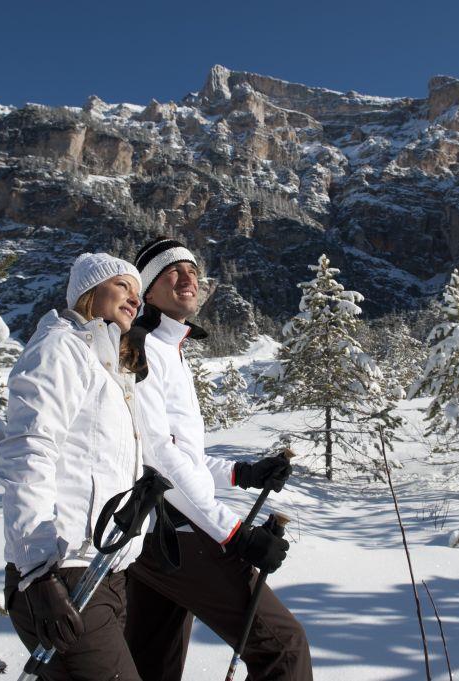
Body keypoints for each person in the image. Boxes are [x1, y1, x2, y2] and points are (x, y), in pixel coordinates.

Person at [124, 237, 313, 680]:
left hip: (158, 534)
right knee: (283, 648)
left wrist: (242, 472)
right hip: (176, 533)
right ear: (148, 290)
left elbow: (182, 455)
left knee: (151, 664)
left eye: (192, 270)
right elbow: (157, 458)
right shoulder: (143, 347)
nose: (188, 277)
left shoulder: (167, 347)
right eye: (173, 271)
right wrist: (234, 534)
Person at [0, 252, 146, 681]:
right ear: (89, 291)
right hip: (62, 571)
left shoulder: (108, 367)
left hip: (105, 572)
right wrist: (38, 573)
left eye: (138, 294)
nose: (134, 299)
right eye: (123, 287)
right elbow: (28, 453)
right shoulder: (61, 347)